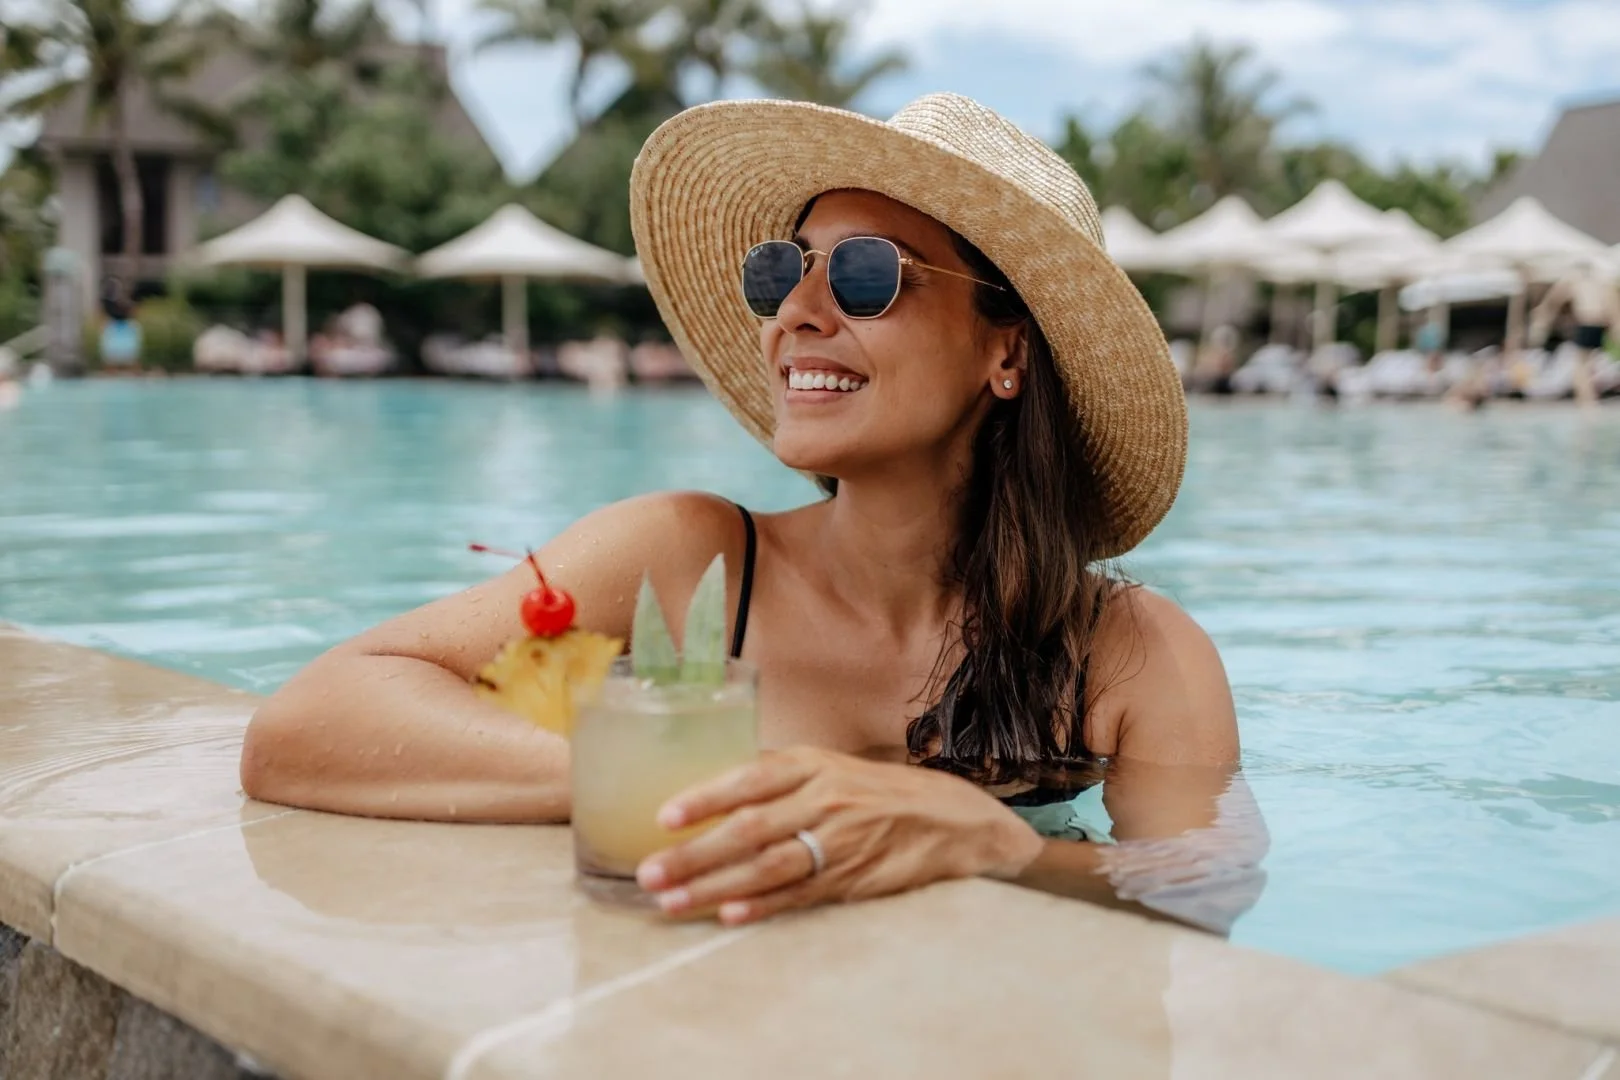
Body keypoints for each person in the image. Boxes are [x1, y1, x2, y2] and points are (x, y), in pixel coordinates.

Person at [242, 93, 1261, 930]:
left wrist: (993, 843)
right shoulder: (690, 561)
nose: (796, 314)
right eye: (785, 269)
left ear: (1007, 351)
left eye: (867, 274)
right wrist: (696, 780)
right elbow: (309, 724)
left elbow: (1208, 883)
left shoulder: (1128, 653)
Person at [1529, 255, 1620, 407]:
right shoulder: (1602, 281)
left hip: (1587, 323)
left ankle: (1586, 400)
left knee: (1581, 365)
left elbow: (1554, 299)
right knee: (1588, 363)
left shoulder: (1574, 280)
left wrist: (1543, 315)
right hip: (1602, 324)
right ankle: (1588, 398)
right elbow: (1612, 305)